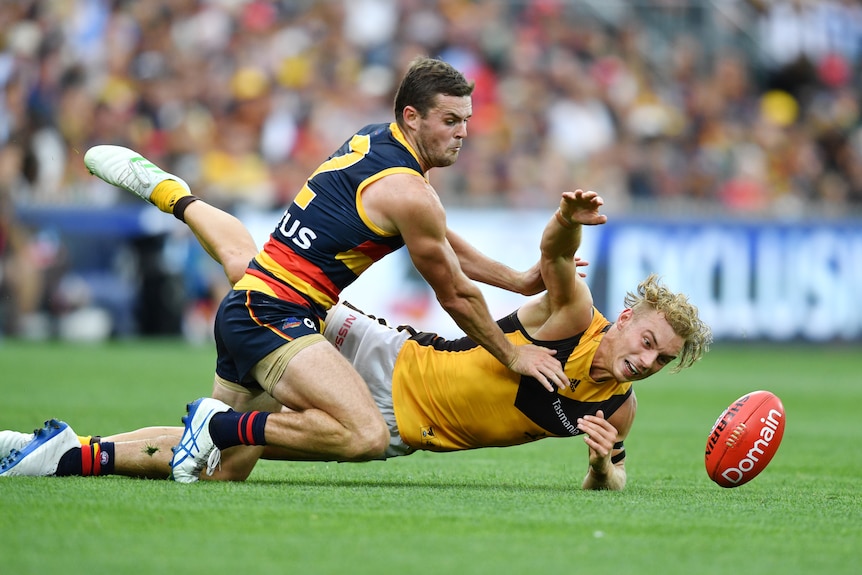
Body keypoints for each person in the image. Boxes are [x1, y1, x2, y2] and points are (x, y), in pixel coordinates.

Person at [0, 189, 712, 490]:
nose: (645, 360)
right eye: (647, 339)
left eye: (660, 357)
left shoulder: (617, 409)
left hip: (405, 428)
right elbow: (554, 257)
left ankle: (62, 457)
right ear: (625, 316)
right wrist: (569, 219)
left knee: (230, 459)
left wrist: (600, 469)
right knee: (260, 277)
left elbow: (612, 476)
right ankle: (178, 198)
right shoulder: (574, 319)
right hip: (387, 352)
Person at [81, 56, 570, 483]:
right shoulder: (410, 192)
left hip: (253, 302)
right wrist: (512, 356)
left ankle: (68, 455)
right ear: (412, 116)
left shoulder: (375, 139)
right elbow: (456, 296)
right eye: (449, 120)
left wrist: (520, 280)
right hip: (275, 316)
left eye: (466, 119)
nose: (462, 132)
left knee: (223, 467)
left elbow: (436, 239)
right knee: (364, 435)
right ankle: (215, 424)